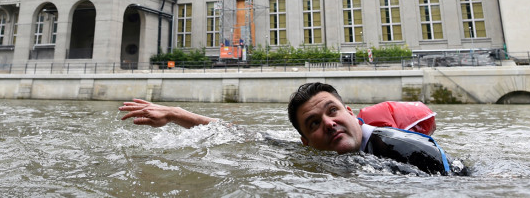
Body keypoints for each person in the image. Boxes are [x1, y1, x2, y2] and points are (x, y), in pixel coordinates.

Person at [120, 82, 464, 175]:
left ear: (350, 113)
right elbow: (246, 135)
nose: (328, 124)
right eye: (314, 123)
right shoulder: (309, 150)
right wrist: (177, 113)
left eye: (332, 112)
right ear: (305, 140)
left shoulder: (408, 150)